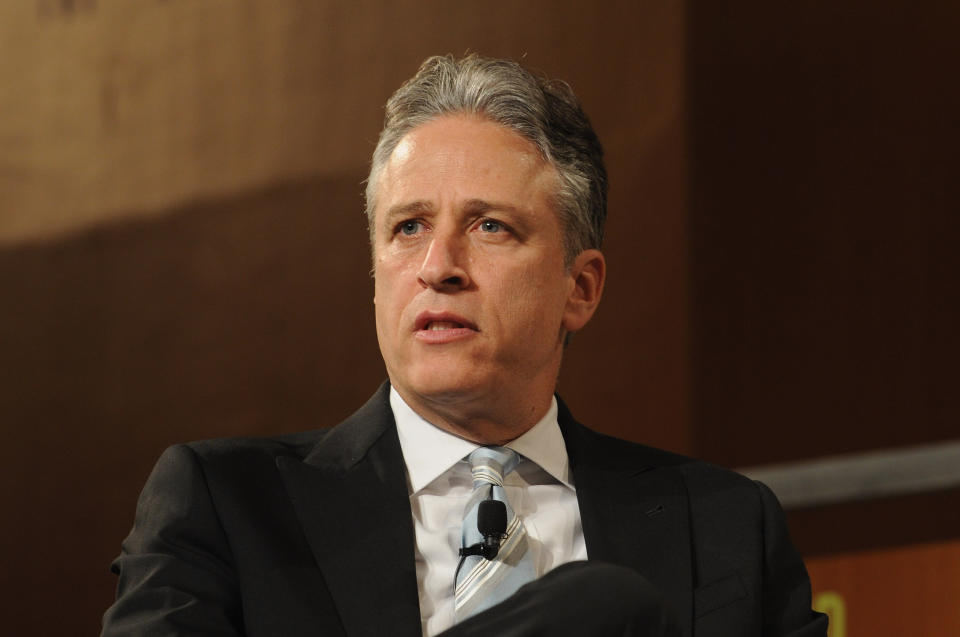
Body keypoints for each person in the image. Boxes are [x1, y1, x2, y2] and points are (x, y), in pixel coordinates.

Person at [102, 54, 827, 637]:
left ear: (581, 287)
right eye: (409, 226)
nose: (437, 264)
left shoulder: (728, 525)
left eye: (489, 227)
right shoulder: (228, 508)